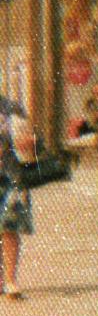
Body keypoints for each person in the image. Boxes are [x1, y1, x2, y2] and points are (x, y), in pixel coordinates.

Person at [0, 97, 35, 299]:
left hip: (11, 176)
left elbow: (30, 139)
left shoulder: (12, 108)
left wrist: (26, 142)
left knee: (9, 226)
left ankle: (11, 279)